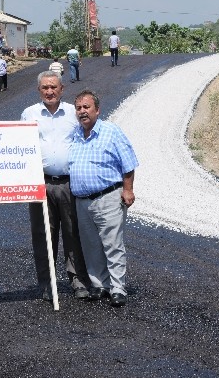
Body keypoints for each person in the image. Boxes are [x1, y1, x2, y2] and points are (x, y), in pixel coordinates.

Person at [20, 71, 91, 301]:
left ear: (62, 89)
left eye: (53, 87)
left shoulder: (74, 112)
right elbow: (18, 147)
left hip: (70, 184)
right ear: (38, 90)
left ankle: (77, 280)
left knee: (73, 234)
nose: (49, 91)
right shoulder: (29, 114)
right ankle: (47, 283)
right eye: (45, 88)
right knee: (43, 236)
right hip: (40, 184)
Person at [68, 89, 139, 307]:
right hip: (82, 201)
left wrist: (128, 190)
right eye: (78, 108)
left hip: (108, 197)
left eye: (86, 107)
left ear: (97, 110)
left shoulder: (111, 132)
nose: (82, 112)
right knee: (91, 246)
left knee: (113, 244)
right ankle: (99, 285)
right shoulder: (75, 135)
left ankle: (118, 288)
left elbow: (129, 163)